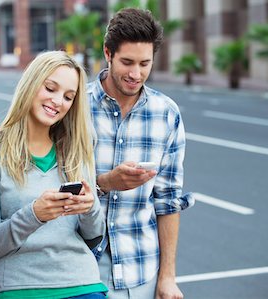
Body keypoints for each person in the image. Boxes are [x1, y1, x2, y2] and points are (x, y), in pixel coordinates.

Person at [0, 51, 108, 299]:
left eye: (68, 97)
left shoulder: (77, 151)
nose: (57, 101)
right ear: (31, 84)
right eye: (50, 88)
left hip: (83, 284)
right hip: (19, 288)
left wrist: (90, 208)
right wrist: (34, 215)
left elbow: (94, 238)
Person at [87, 8, 195, 299]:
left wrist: (168, 277)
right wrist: (105, 183)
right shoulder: (76, 108)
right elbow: (53, 183)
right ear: (108, 53)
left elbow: (168, 200)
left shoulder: (166, 114)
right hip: (82, 272)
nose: (136, 74)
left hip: (142, 271)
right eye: (127, 62)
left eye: (145, 64)